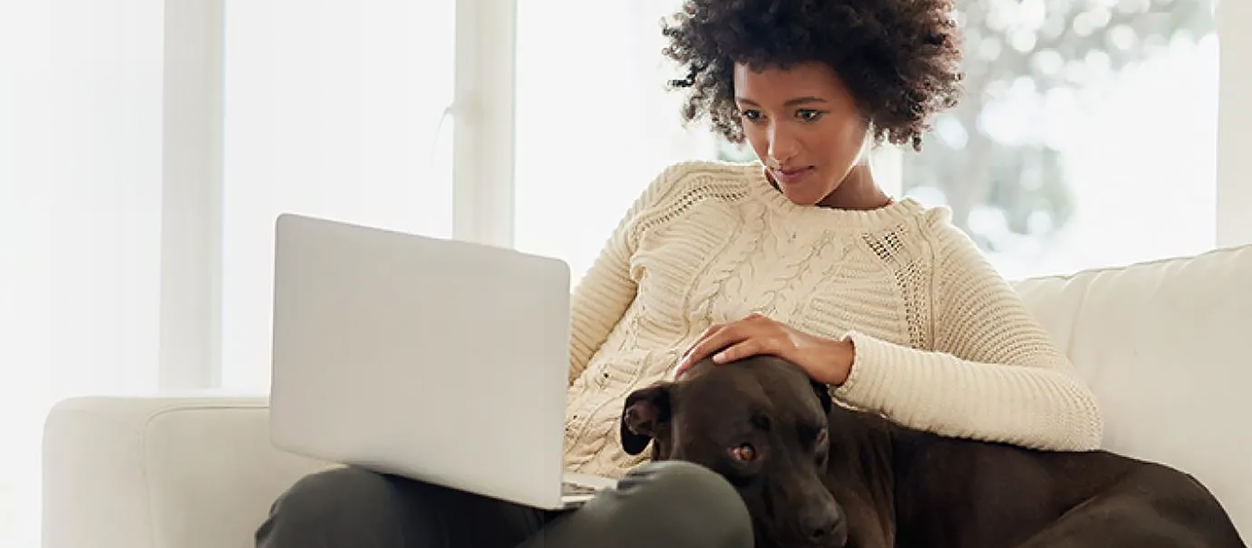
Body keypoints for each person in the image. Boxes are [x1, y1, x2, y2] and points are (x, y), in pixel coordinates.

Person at [255, 0, 1106, 546]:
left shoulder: (921, 256)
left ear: (879, 97)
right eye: (752, 113)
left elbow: (1067, 409)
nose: (776, 146)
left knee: (688, 511)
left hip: (656, 516)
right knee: (327, 509)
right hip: (529, 488)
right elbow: (558, 353)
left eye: (807, 113)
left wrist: (835, 356)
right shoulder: (683, 194)